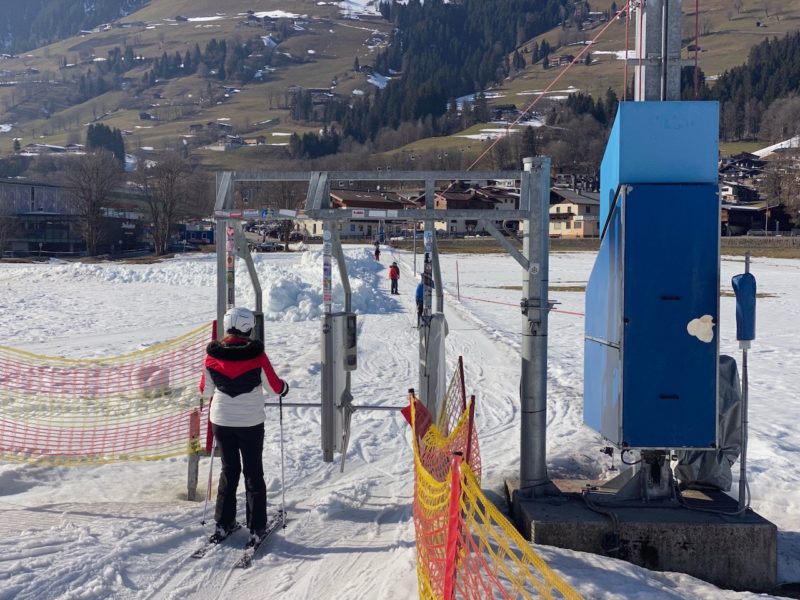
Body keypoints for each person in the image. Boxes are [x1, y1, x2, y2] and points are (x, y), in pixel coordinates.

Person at [200, 306, 289, 547]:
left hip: (221, 420)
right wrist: (284, 388)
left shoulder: (212, 356)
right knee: (253, 471)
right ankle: (256, 526)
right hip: (250, 421)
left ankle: (223, 521)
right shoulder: (257, 356)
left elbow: (204, 390)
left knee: (229, 469)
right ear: (249, 327)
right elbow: (274, 387)